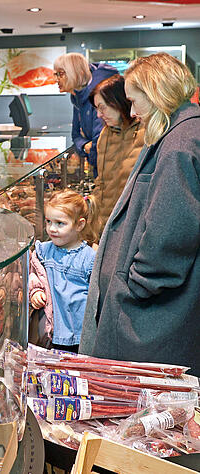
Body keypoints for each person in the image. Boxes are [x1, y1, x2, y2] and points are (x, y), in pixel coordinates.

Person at [80, 53, 200, 372]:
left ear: (156, 94)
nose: (132, 112)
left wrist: (134, 285)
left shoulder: (178, 146)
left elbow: (169, 237)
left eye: (135, 101)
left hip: (149, 317)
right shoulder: (178, 134)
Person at [28, 190, 95, 353]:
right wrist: (35, 291)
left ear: (79, 225)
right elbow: (34, 274)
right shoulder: (43, 251)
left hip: (78, 332)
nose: (52, 228)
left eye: (60, 223)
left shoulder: (89, 257)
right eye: (49, 221)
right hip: (51, 331)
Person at [86, 75, 145, 241]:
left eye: (102, 108)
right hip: (105, 228)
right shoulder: (105, 134)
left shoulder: (147, 132)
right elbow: (102, 183)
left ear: (118, 102)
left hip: (134, 229)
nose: (98, 115)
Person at [53, 53, 118, 176]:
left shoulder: (98, 95)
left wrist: (90, 150)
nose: (56, 79)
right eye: (55, 74)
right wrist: (84, 146)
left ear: (77, 72)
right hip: (98, 168)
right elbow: (76, 135)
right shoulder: (76, 97)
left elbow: (99, 143)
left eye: (61, 74)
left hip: (109, 169)